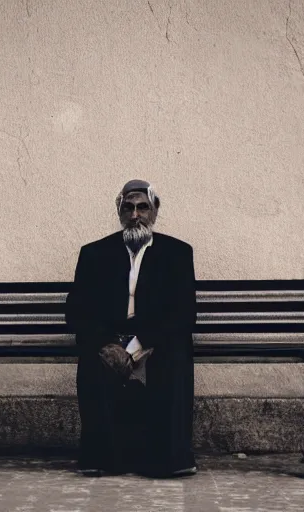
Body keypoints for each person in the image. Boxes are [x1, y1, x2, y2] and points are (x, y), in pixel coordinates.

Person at [65, 179, 197, 477]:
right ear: (119, 210)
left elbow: (183, 312)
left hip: (155, 341)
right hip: (109, 339)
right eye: (128, 207)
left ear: (155, 210)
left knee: (175, 351)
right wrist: (106, 345)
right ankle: (101, 458)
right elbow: (77, 310)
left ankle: (170, 458)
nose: (135, 215)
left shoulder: (177, 253)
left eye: (143, 207)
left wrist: (139, 346)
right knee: (92, 359)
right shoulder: (94, 253)